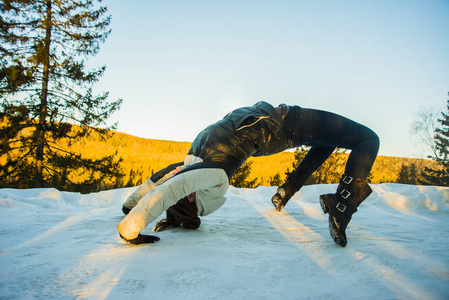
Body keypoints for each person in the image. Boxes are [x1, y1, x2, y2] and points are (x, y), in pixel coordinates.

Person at [117, 101, 379, 247]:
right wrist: (131, 229)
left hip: (275, 126)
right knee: (368, 140)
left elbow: (160, 180)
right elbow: (170, 188)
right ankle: (342, 207)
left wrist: (131, 206)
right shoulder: (214, 177)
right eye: (187, 198)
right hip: (284, 125)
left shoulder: (191, 162)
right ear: (190, 199)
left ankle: (289, 189)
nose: (185, 190)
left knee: (326, 141)